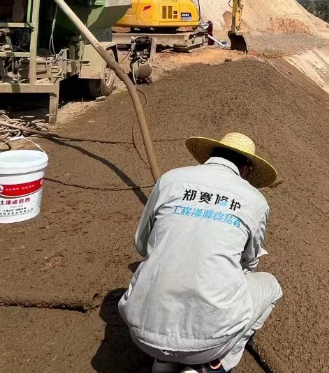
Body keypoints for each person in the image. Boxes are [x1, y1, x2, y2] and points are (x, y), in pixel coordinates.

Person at [119, 132, 283, 373]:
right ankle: (214, 365)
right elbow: (249, 263)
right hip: (207, 342)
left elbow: (142, 245)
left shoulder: (170, 180)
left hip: (140, 332)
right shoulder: (255, 200)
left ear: (210, 155)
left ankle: (163, 362)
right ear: (246, 168)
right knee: (272, 286)